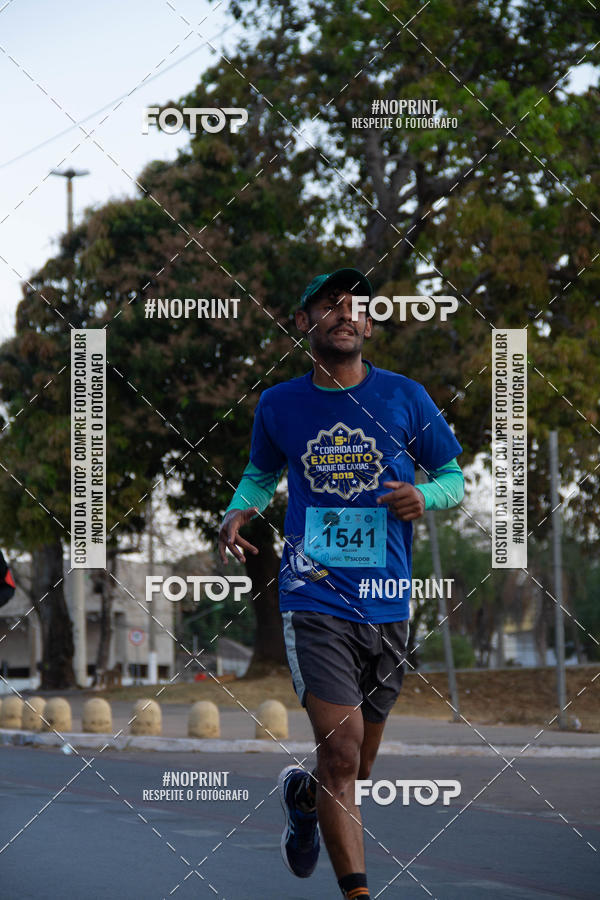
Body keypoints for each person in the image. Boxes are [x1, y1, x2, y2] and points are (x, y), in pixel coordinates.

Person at [218, 268, 464, 899]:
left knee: (357, 766)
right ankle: (357, 892)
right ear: (305, 321)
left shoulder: (406, 397)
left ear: (370, 325)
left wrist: (425, 496)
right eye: (331, 305)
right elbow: (260, 474)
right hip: (314, 594)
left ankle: (304, 798)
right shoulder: (279, 405)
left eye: (357, 306)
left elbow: (452, 478)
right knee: (341, 750)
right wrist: (238, 510)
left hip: (387, 602)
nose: (347, 314)